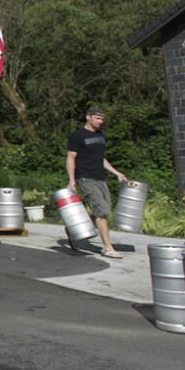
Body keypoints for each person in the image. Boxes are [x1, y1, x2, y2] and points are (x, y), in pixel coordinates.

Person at [66, 106, 126, 258]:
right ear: (88, 117)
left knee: (105, 211)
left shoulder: (100, 136)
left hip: (100, 177)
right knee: (102, 212)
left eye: (102, 119)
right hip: (85, 177)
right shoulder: (77, 136)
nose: (101, 121)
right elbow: (71, 158)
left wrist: (117, 173)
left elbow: (101, 159)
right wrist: (72, 180)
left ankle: (74, 230)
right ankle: (108, 248)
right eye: (98, 118)